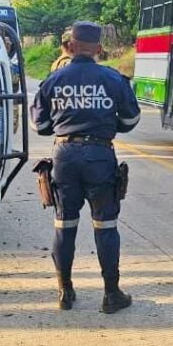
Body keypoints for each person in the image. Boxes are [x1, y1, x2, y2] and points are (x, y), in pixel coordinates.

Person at [29, 21, 141, 313]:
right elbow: (130, 121)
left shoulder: (54, 79)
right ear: (99, 49)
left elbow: (39, 125)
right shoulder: (114, 79)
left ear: (71, 46)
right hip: (100, 155)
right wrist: (105, 125)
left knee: (64, 224)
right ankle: (111, 295)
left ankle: (65, 292)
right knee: (105, 224)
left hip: (64, 156)